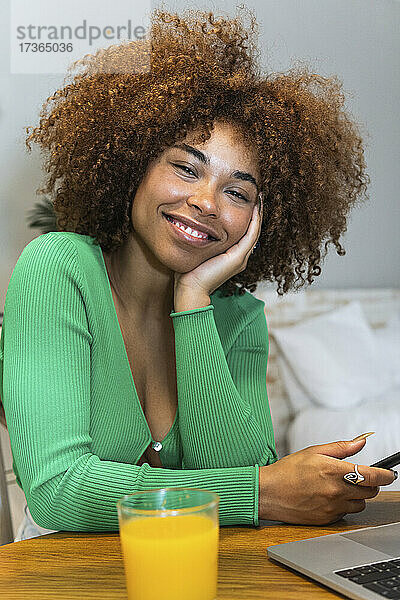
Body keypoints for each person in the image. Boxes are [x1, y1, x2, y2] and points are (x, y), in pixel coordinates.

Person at [0, 7, 396, 541]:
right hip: (70, 574)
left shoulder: (237, 319)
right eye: (186, 168)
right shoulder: (59, 269)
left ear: (261, 220)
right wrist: (263, 491)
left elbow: (238, 471)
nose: (206, 202)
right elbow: (59, 491)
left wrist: (193, 303)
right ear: (134, 163)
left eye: (238, 192)